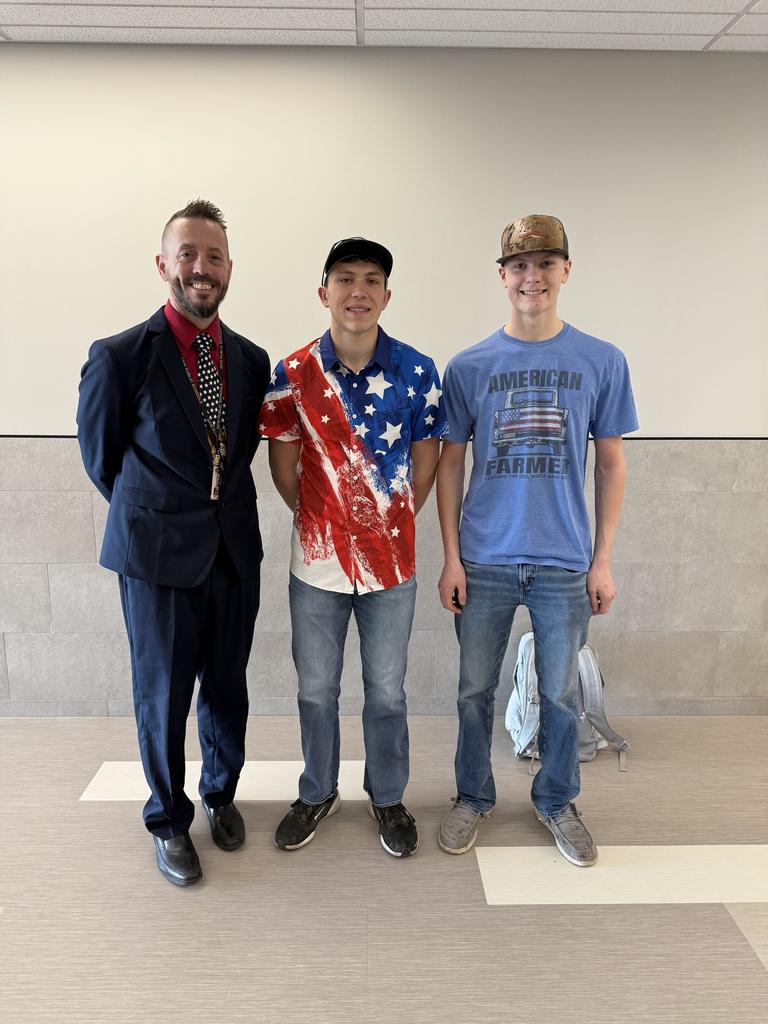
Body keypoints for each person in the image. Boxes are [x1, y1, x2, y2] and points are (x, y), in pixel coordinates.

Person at [77, 199, 270, 886]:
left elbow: (237, 454)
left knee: (227, 686)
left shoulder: (251, 360)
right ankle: (168, 819)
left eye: (213, 256)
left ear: (229, 268)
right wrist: (157, 516)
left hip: (232, 551)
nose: (201, 267)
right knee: (162, 693)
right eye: (187, 254)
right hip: (156, 556)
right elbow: (101, 461)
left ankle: (220, 793)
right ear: (164, 264)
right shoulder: (119, 356)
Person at [436, 214, 638, 866]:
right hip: (484, 559)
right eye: (519, 265)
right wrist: (450, 558)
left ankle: (556, 800)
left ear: (566, 270)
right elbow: (449, 465)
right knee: (473, 692)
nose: (533, 276)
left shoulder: (602, 360)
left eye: (546, 263)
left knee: (559, 695)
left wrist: (602, 560)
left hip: (564, 563)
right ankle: (472, 796)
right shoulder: (469, 366)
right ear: (503, 276)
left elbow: (611, 465)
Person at [260, 237, 446, 857]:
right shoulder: (292, 374)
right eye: (345, 278)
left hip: (392, 567)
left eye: (371, 280)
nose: (358, 291)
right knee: (316, 689)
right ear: (324, 293)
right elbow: (283, 469)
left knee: (386, 692)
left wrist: (385, 527)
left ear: (387, 296)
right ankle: (317, 790)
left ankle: (387, 796)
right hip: (316, 566)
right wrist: (329, 525)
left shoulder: (418, 371)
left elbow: (426, 462)